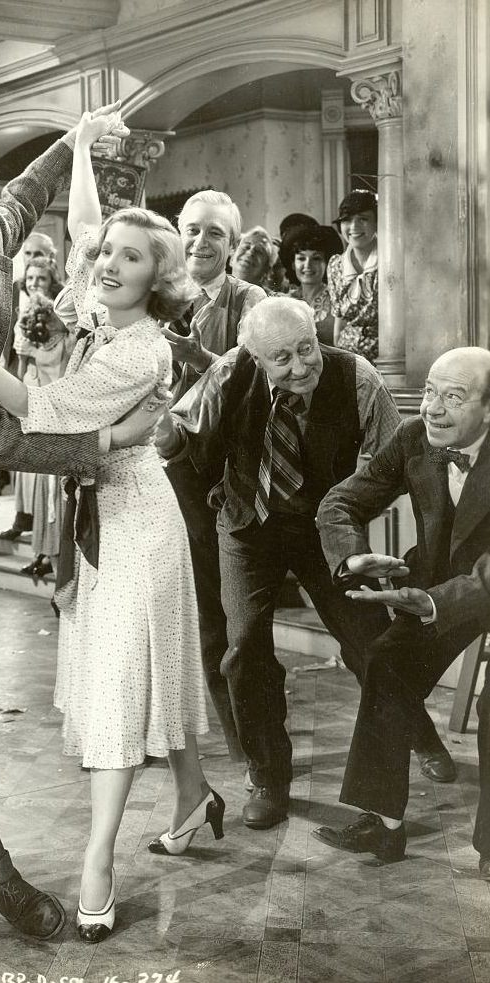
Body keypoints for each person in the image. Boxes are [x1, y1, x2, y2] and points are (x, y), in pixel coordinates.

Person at [0, 108, 221, 944]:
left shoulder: (138, 351)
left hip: (135, 524)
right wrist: (74, 145)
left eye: (128, 257)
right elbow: (71, 223)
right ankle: (193, 796)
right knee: (158, 670)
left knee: (116, 691)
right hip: (98, 513)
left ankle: (99, 864)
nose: (103, 262)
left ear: (161, 278)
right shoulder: (101, 309)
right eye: (105, 253)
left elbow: (34, 408)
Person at [155, 296, 453, 829]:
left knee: (370, 641)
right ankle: (269, 776)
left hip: (327, 528)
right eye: (282, 358)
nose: (300, 367)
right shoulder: (229, 371)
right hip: (249, 523)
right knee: (243, 647)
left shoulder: (357, 376)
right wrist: (164, 431)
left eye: (306, 348)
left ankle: (418, 733)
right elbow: (180, 435)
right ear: (256, 356)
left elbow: (394, 458)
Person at [312, 347, 490, 871]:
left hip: (460, 593)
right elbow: (340, 502)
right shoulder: (416, 437)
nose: (432, 408)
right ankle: (383, 826)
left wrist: (434, 601)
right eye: (430, 391)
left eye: (453, 397)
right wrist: (353, 554)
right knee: (385, 662)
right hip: (436, 589)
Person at [160, 189, 265, 761]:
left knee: (229, 620)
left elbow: (260, 378)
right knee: (181, 612)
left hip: (228, 481)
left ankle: (252, 751)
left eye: (215, 234)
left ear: (233, 244)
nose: (201, 243)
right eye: (192, 230)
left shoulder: (252, 301)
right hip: (160, 474)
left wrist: (202, 361)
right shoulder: (158, 296)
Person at [0, 255, 66, 541]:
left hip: (52, 386)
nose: (35, 283)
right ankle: (25, 519)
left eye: (41, 278)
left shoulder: (61, 314)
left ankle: (46, 535)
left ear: (52, 282)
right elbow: (17, 356)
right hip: (28, 382)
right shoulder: (21, 309)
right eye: (30, 278)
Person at [17, 292, 75, 580]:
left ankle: (60, 580)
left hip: (53, 427)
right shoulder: (68, 341)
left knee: (57, 502)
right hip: (60, 425)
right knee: (58, 503)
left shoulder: (38, 350)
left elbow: (29, 388)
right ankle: (62, 580)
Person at [327, 189, 378, 363]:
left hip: (385, 356)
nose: (354, 227)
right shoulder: (336, 265)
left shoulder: (389, 262)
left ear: (377, 222)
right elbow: (339, 319)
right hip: (348, 356)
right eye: (347, 220)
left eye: (363, 219)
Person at [280, 225, 343, 345]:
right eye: (301, 258)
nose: (308, 265)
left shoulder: (337, 299)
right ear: (293, 264)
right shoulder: (284, 300)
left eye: (316, 258)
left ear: (326, 263)